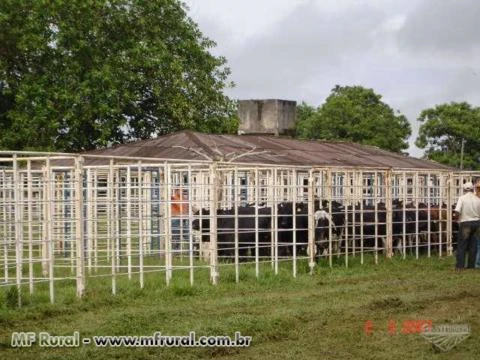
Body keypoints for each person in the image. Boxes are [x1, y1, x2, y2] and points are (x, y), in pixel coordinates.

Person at [454, 181, 480, 270]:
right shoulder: (477, 199)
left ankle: (460, 266)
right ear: (473, 189)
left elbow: (457, 211)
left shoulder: (462, 198)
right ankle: (471, 266)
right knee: (474, 245)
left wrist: (456, 219)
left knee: (462, 245)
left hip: (465, 223)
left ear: (464, 189)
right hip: (477, 223)